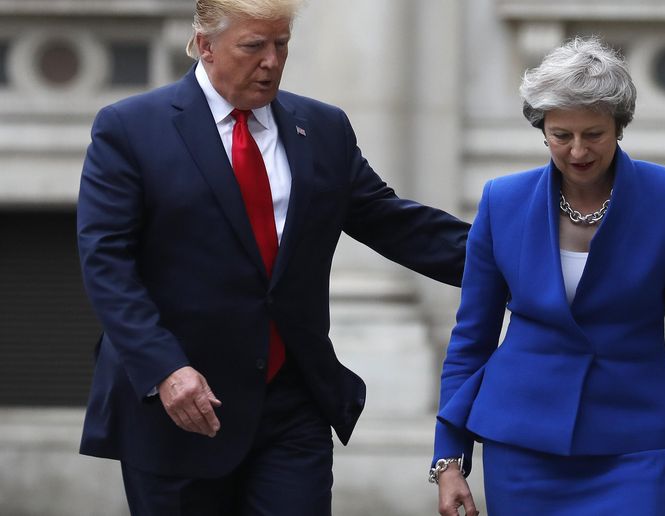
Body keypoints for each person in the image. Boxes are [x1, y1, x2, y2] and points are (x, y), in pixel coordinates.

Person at [76, 0, 469, 514]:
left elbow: (395, 223)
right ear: (205, 45)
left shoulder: (321, 128)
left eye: (281, 44)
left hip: (290, 402)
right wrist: (165, 368)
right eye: (253, 46)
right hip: (183, 403)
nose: (271, 61)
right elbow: (107, 263)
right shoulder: (131, 128)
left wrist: (523, 259)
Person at [431, 36, 665, 516]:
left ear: (618, 127)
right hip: (522, 443)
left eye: (593, 134)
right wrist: (448, 459)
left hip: (634, 443)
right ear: (543, 131)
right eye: (561, 135)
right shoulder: (502, 202)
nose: (577, 150)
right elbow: (471, 338)